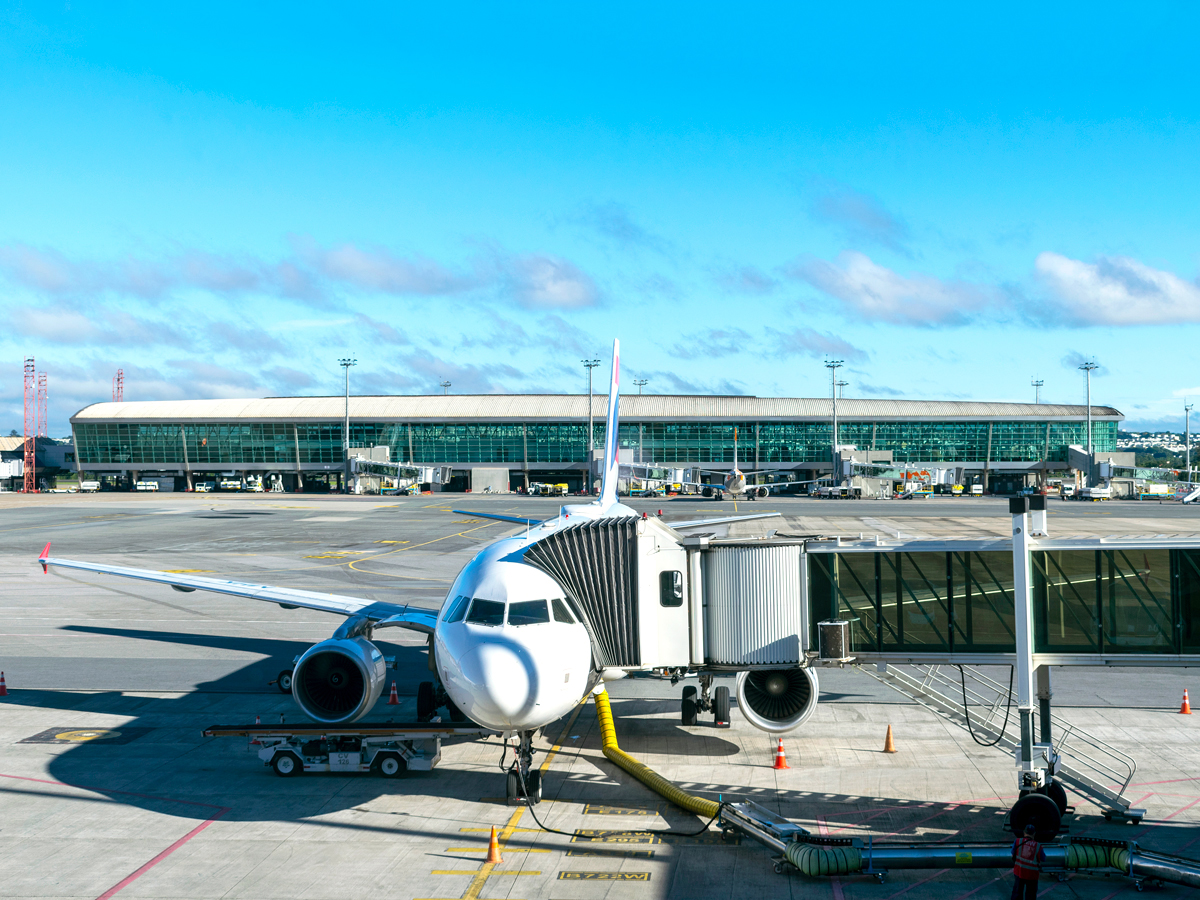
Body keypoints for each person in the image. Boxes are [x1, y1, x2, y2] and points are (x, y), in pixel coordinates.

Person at [1011, 821, 1046, 899]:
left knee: (1017, 893)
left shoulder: (1017, 841)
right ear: (1034, 834)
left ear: (1024, 832)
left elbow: (1012, 854)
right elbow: (1043, 858)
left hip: (1019, 871)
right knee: (1031, 895)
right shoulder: (1038, 846)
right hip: (1032, 875)